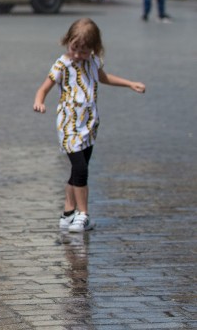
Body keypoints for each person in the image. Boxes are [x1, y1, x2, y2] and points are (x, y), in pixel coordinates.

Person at [33, 18, 145, 232]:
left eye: (83, 51)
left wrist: (130, 84)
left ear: (94, 48)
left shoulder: (93, 62)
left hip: (89, 125)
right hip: (69, 126)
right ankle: (83, 214)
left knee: (77, 170)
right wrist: (39, 102)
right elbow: (43, 88)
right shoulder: (62, 64)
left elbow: (104, 78)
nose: (77, 55)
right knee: (81, 169)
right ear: (68, 41)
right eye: (74, 48)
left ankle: (67, 213)